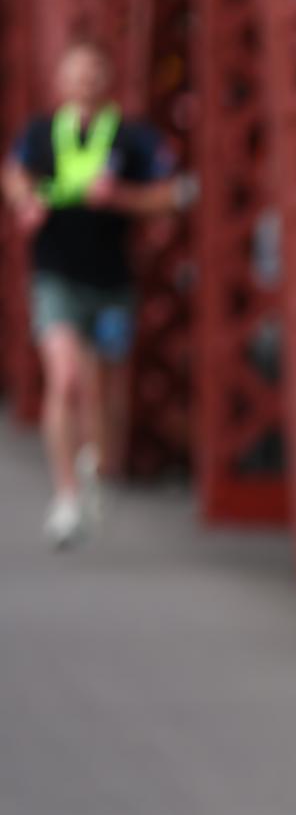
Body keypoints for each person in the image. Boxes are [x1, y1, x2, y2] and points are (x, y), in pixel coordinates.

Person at [3, 40, 185, 546]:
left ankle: (95, 468)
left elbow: (172, 194)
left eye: (93, 73)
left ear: (107, 81)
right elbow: (14, 174)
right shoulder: (41, 133)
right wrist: (24, 203)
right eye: (76, 73)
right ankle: (65, 494)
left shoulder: (132, 137)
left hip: (112, 282)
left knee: (102, 387)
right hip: (56, 275)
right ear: (61, 81)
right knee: (64, 379)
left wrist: (121, 197)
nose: (84, 82)